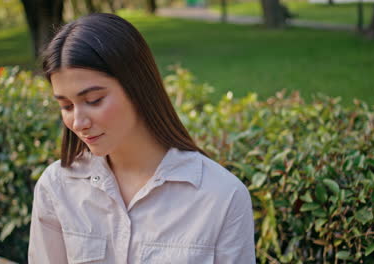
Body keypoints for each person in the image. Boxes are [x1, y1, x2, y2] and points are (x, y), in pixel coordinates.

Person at [28, 13, 255, 264]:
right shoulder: (56, 187)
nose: (79, 122)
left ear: (137, 87)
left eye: (93, 101)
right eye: (67, 106)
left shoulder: (222, 197)